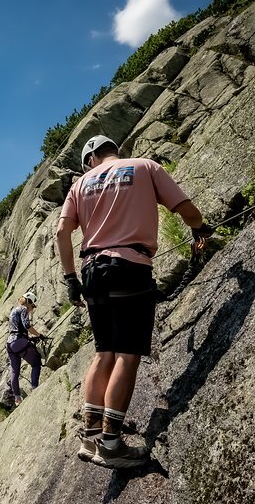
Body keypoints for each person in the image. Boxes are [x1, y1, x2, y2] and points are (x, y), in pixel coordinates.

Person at [56, 135, 213, 468]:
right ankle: (111, 446)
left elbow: (61, 233)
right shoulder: (144, 166)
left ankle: (90, 435)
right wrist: (200, 228)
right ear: (114, 151)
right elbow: (184, 207)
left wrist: (71, 279)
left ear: (89, 161)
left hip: (92, 272)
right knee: (127, 355)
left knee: (104, 353)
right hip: (130, 267)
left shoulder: (80, 185)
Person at [6, 291, 45, 406]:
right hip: (19, 341)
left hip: (10, 344)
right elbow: (27, 325)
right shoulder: (23, 309)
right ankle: (35, 389)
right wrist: (39, 335)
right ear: (28, 302)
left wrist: (28, 339)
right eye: (32, 306)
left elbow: (17, 328)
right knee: (36, 363)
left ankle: (17, 398)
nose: (31, 309)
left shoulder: (13, 310)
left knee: (15, 371)